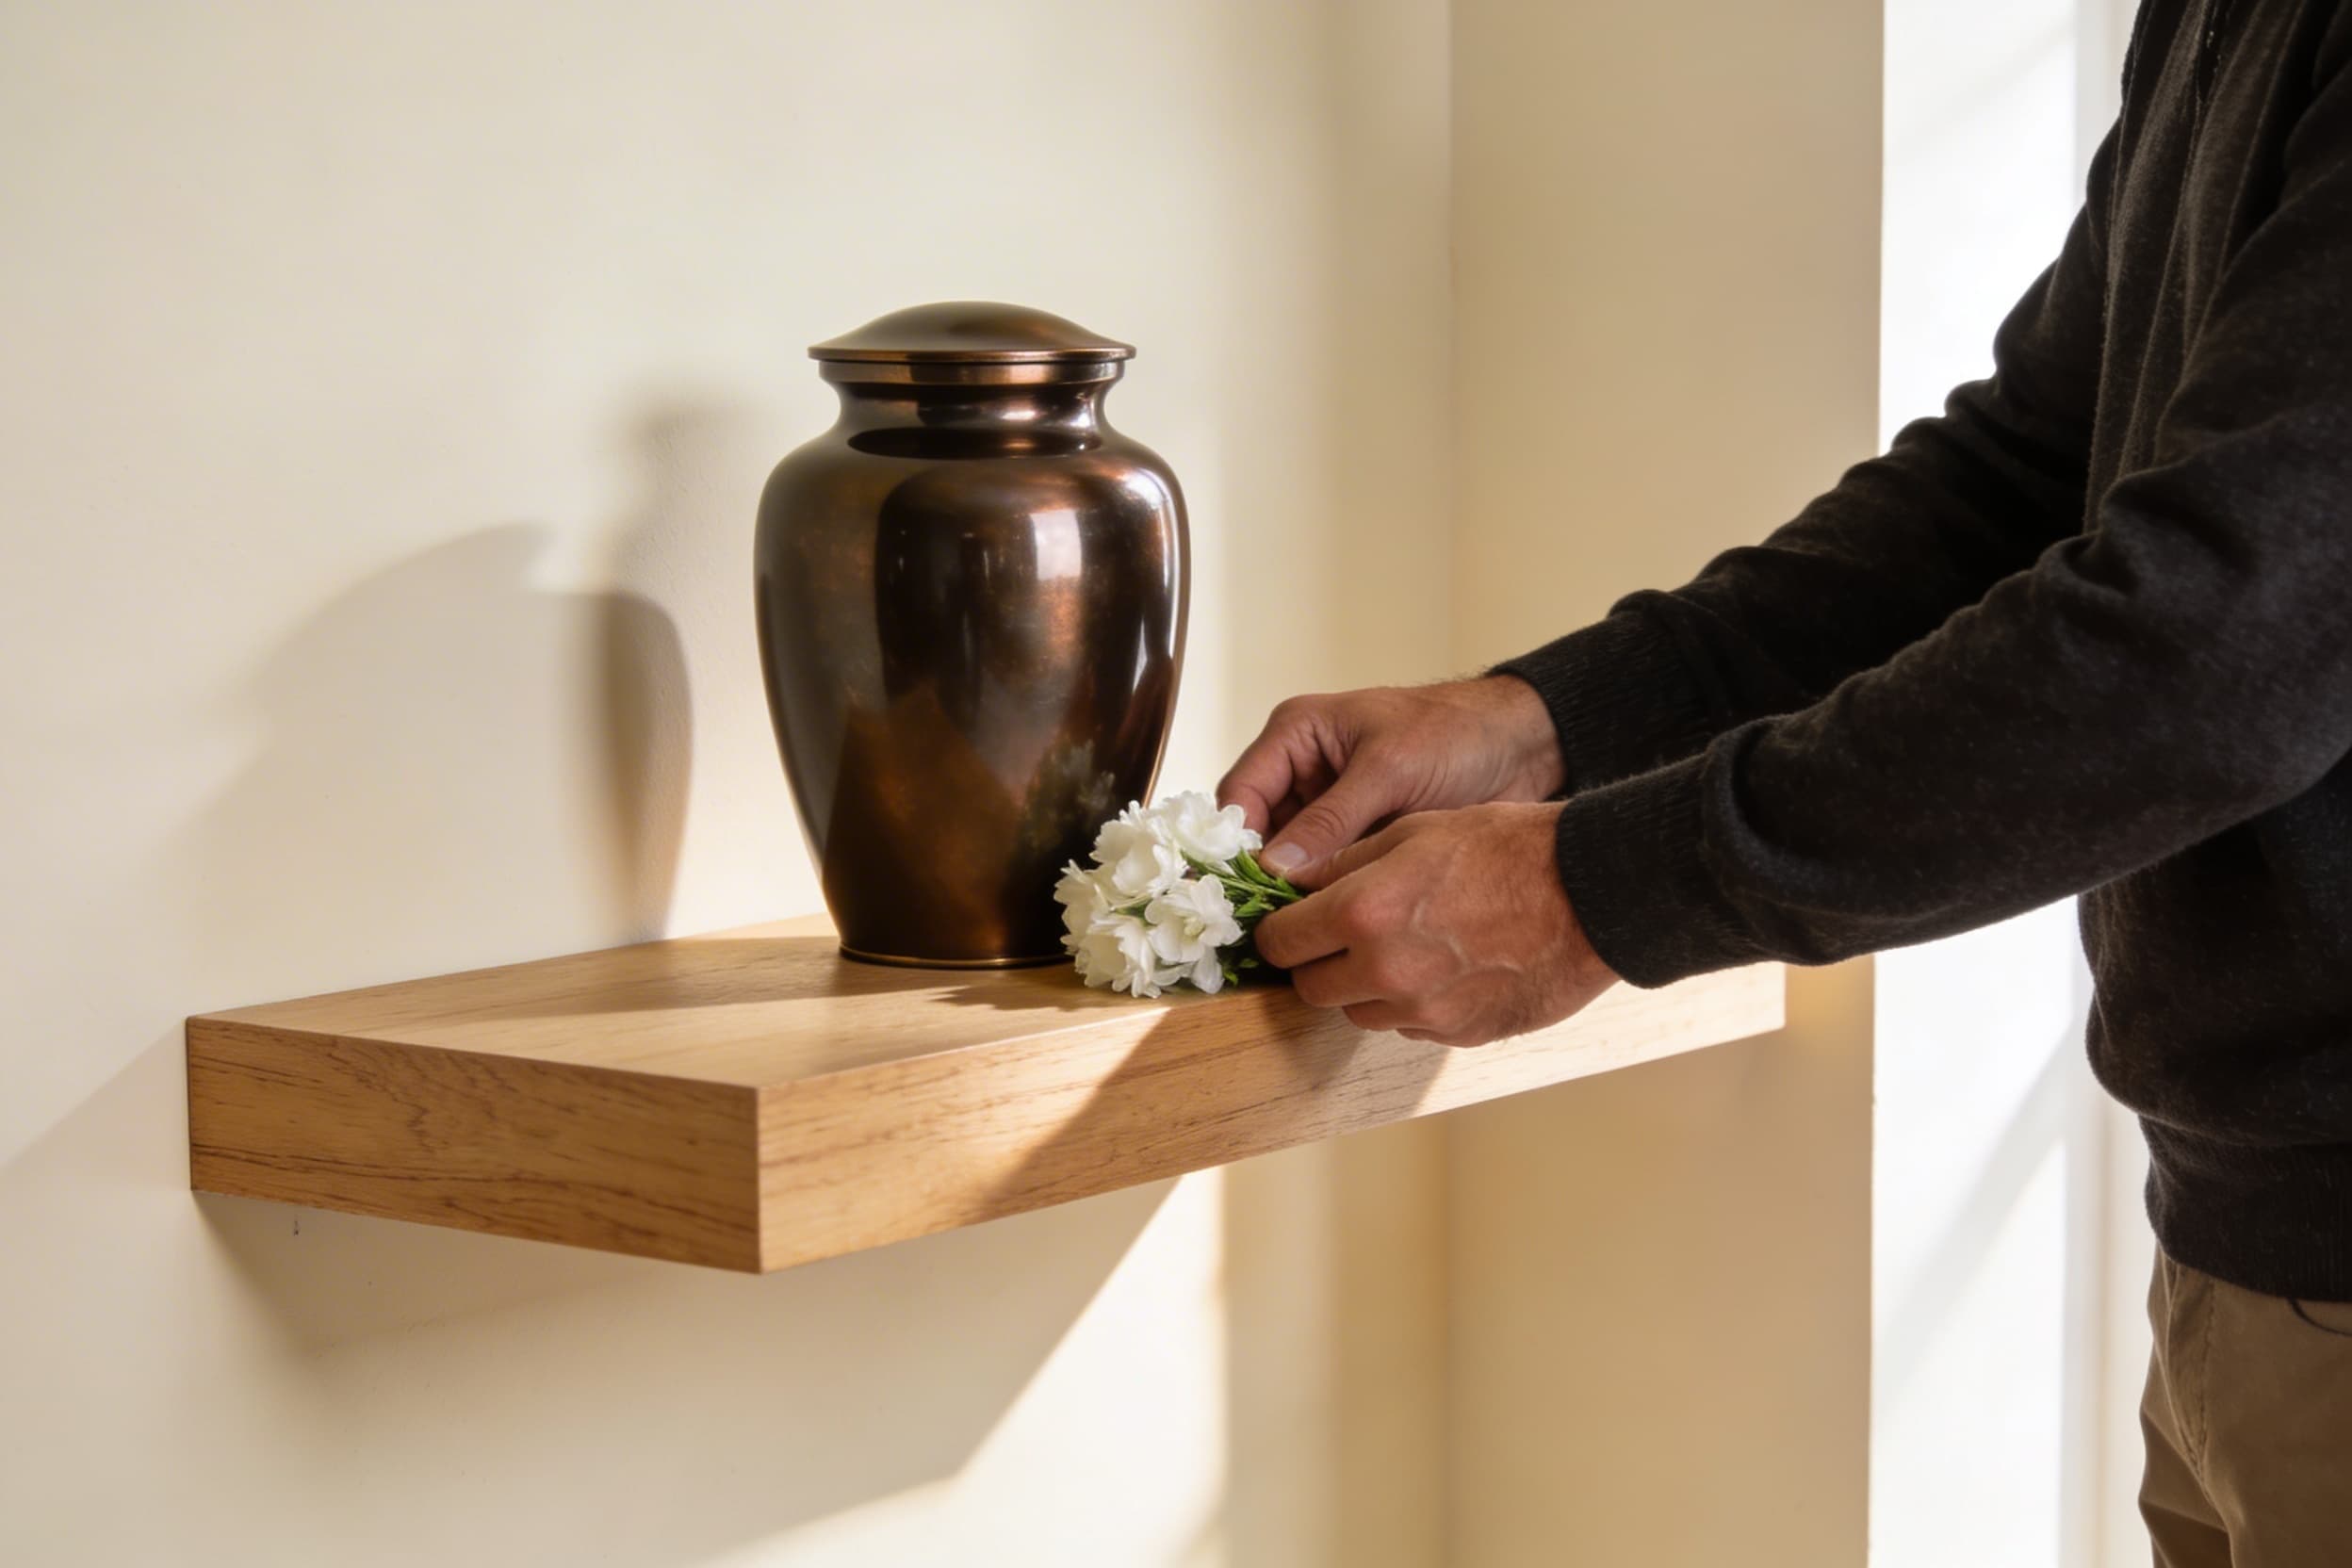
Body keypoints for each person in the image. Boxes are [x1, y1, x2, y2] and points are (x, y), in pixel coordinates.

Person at [1218, 1, 2352, 1560]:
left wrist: (1593, 887)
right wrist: (1549, 718)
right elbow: (2029, 473)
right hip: (2245, 1252)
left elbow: (2218, 641)